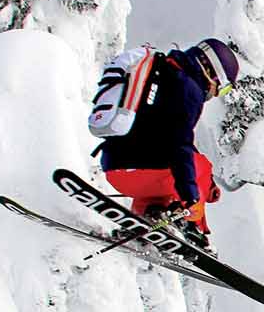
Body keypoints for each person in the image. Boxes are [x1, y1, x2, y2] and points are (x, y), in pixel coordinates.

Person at [98, 38, 239, 249]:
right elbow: (180, 145)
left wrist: (205, 187)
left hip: (115, 170)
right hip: (147, 172)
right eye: (223, 88)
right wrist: (191, 197)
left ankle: (148, 217)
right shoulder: (189, 88)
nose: (215, 93)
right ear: (213, 72)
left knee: (180, 166)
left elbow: (165, 136)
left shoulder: (162, 72)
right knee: (199, 165)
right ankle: (191, 229)